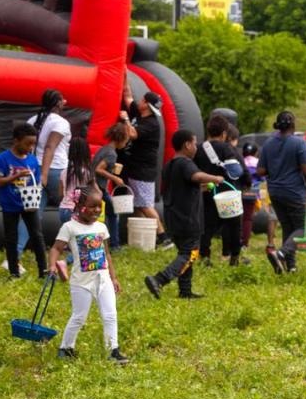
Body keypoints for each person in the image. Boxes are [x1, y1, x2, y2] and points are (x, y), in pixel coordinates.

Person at [48, 187, 127, 363]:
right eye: (92, 206)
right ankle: (66, 348)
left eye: (99, 206)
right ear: (80, 205)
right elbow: (56, 248)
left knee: (110, 315)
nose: (97, 210)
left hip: (103, 279)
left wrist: (113, 278)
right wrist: (52, 265)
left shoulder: (101, 226)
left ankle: (113, 351)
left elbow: (107, 254)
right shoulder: (69, 227)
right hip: (81, 282)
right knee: (79, 317)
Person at [144, 130, 224, 300]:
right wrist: (215, 178)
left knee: (185, 253)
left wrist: (203, 187)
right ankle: (159, 279)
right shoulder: (186, 163)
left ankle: (185, 291)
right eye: (194, 143)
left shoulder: (169, 165)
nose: (195, 147)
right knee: (190, 254)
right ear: (187, 144)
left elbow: (183, 187)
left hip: (174, 218)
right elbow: (197, 176)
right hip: (188, 219)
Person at [14, 89, 72, 261]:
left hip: (35, 170)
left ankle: (14, 254)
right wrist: (44, 176)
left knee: (32, 212)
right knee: (71, 209)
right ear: (58, 103)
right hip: (55, 171)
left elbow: (28, 149)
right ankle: (71, 253)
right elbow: (50, 148)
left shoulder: (33, 120)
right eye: (62, 100)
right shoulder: (60, 122)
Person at [257, 111, 306, 274]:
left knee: (288, 228)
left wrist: (275, 168)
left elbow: (260, 171)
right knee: (301, 230)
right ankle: (281, 254)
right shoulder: (299, 143)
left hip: (275, 192)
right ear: (293, 125)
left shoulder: (268, 143)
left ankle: (291, 266)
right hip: (294, 192)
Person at [0, 123, 48, 278]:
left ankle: (43, 271)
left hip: (29, 204)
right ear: (16, 140)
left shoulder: (32, 160)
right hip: (10, 204)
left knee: (37, 235)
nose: (31, 147)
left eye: (33, 143)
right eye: (28, 143)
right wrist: (15, 177)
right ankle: (14, 272)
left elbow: (36, 182)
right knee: (11, 238)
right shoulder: (3, 159)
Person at [194, 115, 248, 267]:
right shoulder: (227, 148)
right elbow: (236, 171)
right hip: (228, 194)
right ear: (224, 133)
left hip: (207, 192)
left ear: (208, 131)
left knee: (207, 227)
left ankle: (205, 258)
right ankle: (234, 258)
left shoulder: (199, 148)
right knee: (233, 226)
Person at [122, 85, 170, 247]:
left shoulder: (151, 123)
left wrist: (125, 119)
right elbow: (127, 95)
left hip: (144, 170)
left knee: (144, 205)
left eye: (143, 100)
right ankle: (140, 239)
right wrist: (123, 73)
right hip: (137, 167)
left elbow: (133, 134)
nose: (139, 100)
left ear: (147, 105)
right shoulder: (140, 113)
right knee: (137, 204)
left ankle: (163, 237)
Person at [92, 121, 132, 250]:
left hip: (95, 186)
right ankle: (114, 245)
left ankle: (112, 243)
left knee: (109, 213)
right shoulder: (111, 153)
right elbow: (99, 169)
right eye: (126, 141)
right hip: (99, 188)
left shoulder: (104, 149)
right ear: (120, 139)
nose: (126, 144)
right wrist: (115, 177)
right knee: (113, 214)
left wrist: (112, 168)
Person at [57, 137, 93, 224]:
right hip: (79, 211)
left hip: (63, 209)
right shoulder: (88, 173)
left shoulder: (64, 172)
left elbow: (60, 194)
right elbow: (91, 193)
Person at [240, 142, 262, 249]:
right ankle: (244, 243)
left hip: (239, 192)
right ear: (256, 152)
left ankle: (237, 238)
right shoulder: (258, 162)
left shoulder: (240, 161)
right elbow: (263, 178)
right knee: (248, 218)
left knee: (239, 216)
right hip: (252, 193)